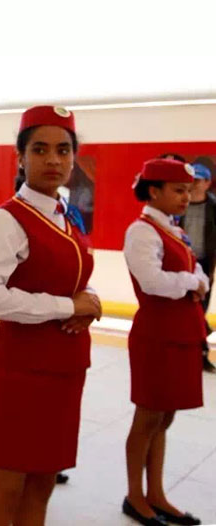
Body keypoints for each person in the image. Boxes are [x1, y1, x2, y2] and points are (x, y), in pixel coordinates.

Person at [0, 105, 101, 525]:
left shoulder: (66, 216)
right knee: (6, 482)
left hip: (65, 368)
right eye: (40, 149)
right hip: (22, 371)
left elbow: (71, 277)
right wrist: (66, 307)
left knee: (43, 479)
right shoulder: (6, 220)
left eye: (63, 150)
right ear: (21, 157)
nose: (53, 160)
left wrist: (90, 298)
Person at [122, 158, 205, 526]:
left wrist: (193, 278)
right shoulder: (142, 231)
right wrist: (192, 282)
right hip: (156, 335)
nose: (186, 197)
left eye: (188, 190)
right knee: (147, 417)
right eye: (178, 190)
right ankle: (134, 496)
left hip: (180, 333)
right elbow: (154, 282)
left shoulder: (172, 229)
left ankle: (156, 493)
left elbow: (196, 268)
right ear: (154, 191)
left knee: (165, 417)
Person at [178, 162, 216, 373]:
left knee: (199, 309)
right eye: (190, 180)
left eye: (198, 180)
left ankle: (201, 355)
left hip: (204, 265)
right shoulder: (177, 204)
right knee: (187, 312)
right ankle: (189, 353)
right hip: (181, 263)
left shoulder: (213, 208)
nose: (193, 185)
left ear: (207, 183)